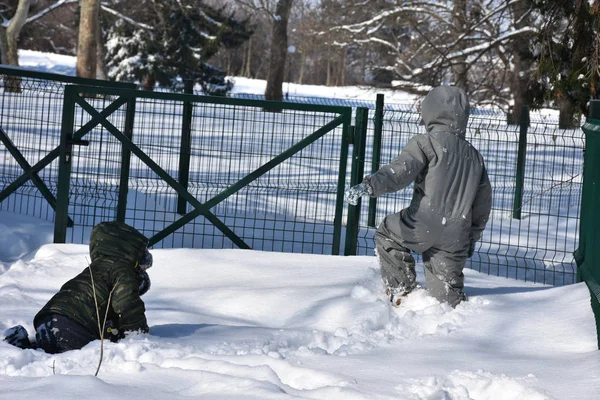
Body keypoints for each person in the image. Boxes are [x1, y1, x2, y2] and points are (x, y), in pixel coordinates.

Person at [345, 86, 492, 307]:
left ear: (430, 111)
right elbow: (483, 203)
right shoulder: (475, 156)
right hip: (457, 233)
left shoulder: (426, 143)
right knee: (445, 296)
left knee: (387, 232)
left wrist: (370, 185)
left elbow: (400, 172)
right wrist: (472, 236)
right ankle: (451, 314)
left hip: (422, 222)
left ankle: (402, 290)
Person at [3, 221, 153, 353]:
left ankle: (23, 347)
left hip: (50, 316)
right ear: (134, 260)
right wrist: (137, 334)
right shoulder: (122, 271)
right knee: (68, 355)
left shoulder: (96, 269)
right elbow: (128, 304)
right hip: (75, 324)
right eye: (143, 267)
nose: (143, 271)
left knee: (49, 350)